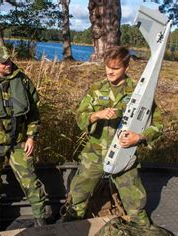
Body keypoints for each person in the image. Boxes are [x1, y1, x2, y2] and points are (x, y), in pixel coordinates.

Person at [63, 46, 163, 224]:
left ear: (126, 68)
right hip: (94, 154)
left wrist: (139, 137)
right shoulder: (96, 89)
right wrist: (96, 115)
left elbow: (159, 125)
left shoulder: (139, 94)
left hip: (124, 156)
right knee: (78, 196)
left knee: (135, 204)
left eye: (115, 68)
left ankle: (142, 231)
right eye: (107, 66)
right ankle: (69, 229)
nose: (110, 71)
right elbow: (79, 117)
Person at [0, 45, 49, 227]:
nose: (8, 65)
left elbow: (34, 112)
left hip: (19, 142)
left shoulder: (23, 80)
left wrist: (31, 137)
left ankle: (40, 218)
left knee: (30, 180)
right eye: (3, 62)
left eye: (9, 60)